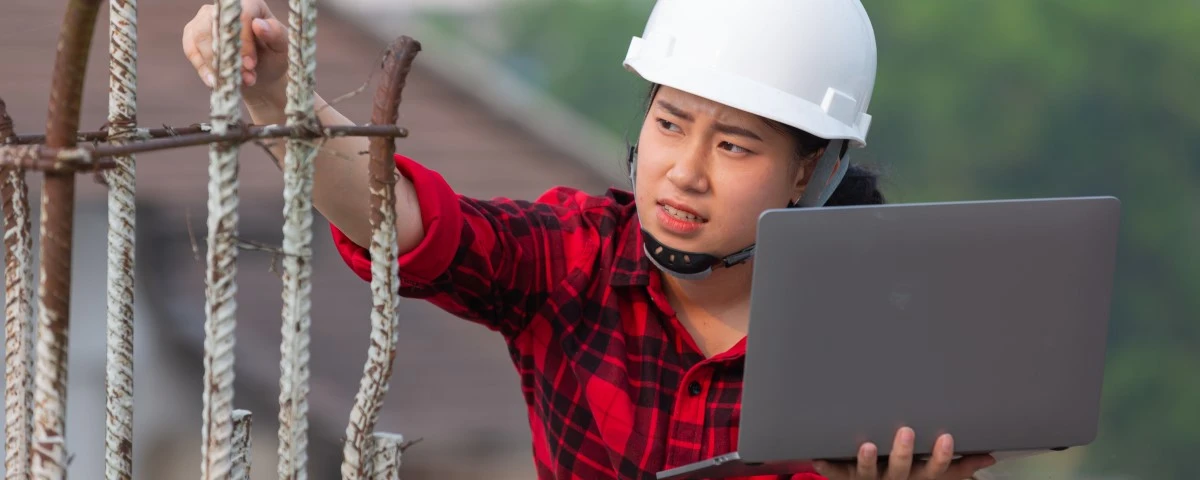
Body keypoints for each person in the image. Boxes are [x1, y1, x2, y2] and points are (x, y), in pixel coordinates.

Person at [182, 0, 998, 478]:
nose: (684, 171)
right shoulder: (572, 259)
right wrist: (278, 93)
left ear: (807, 171)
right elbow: (401, 223)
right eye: (672, 123)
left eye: (735, 145)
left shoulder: (875, 332)